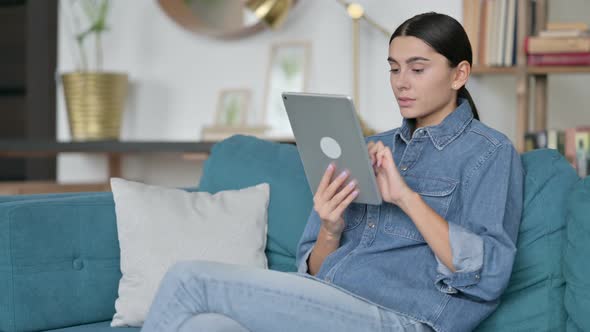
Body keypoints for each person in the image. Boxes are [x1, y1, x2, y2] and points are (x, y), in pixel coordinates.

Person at [141, 12, 524, 332]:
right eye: (393, 69)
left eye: (417, 69)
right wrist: (329, 227)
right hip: (334, 303)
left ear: (459, 75)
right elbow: (317, 273)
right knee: (203, 326)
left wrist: (406, 198)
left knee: (188, 280)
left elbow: (488, 276)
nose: (401, 83)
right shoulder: (374, 147)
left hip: (404, 318)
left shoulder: (489, 152)